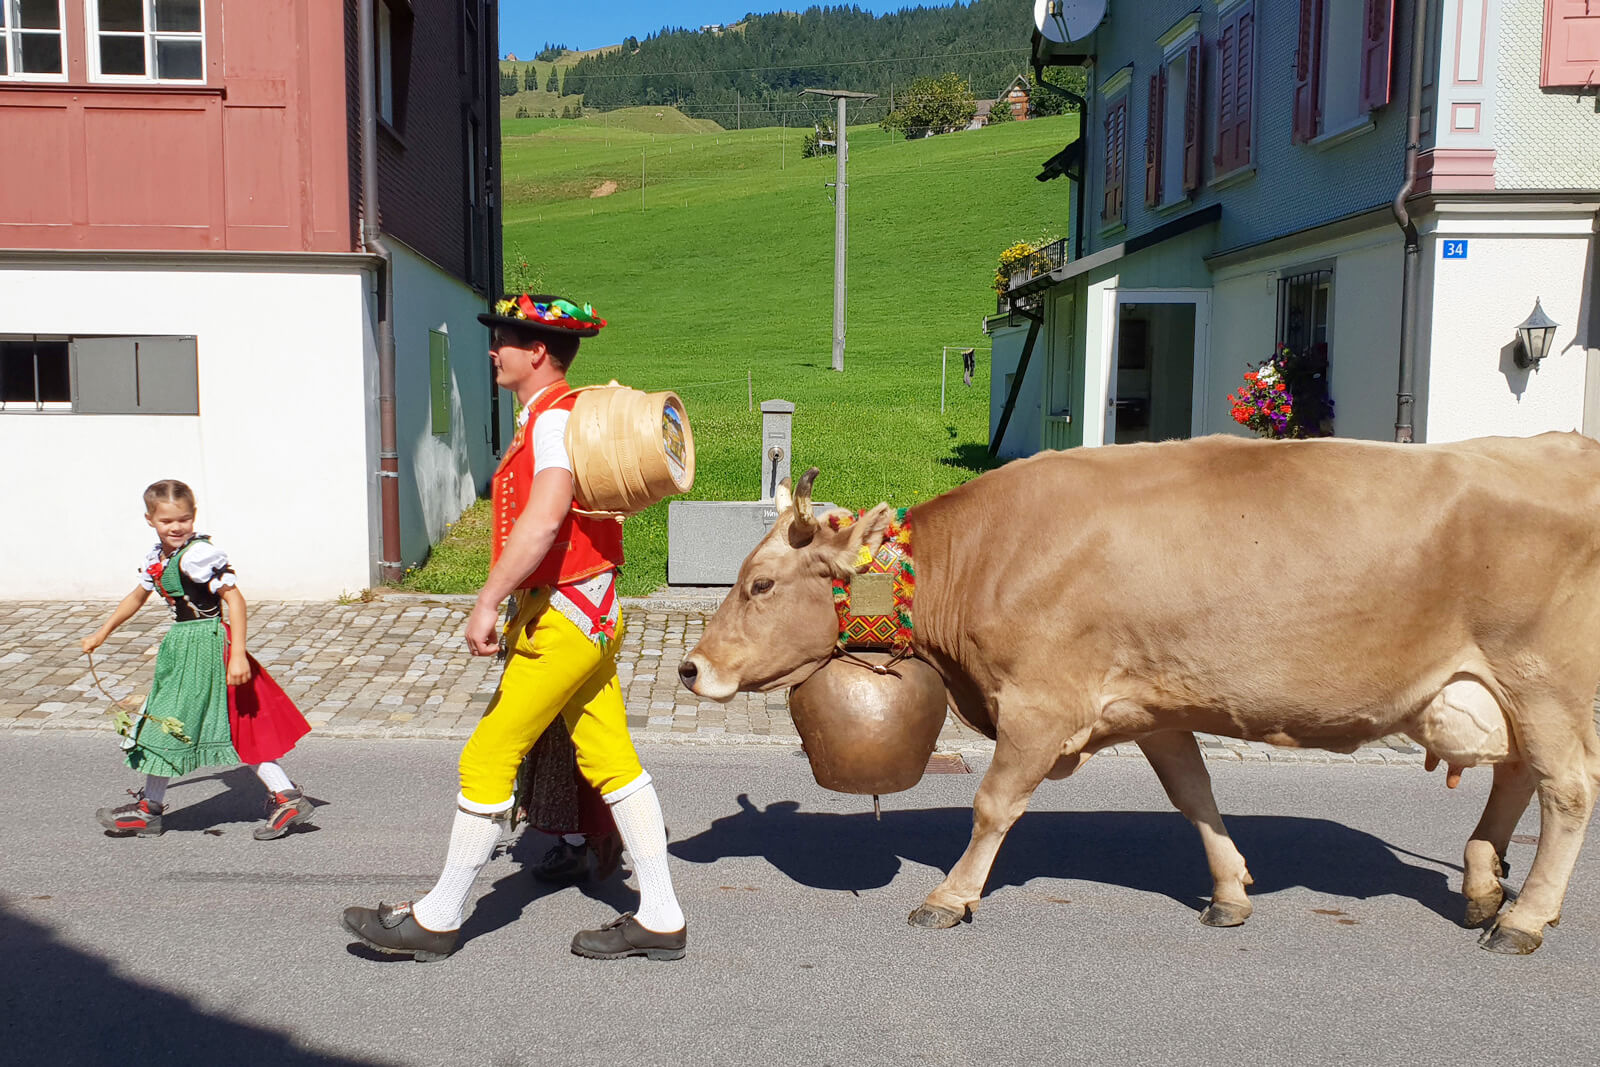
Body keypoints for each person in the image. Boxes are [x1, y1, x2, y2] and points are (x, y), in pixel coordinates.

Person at [342, 294, 686, 962]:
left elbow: (546, 516)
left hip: (562, 619)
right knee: (612, 758)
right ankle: (662, 916)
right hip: (591, 612)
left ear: (536, 353)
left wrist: (487, 598)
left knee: (487, 755)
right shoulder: (558, 417)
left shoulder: (555, 423)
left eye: (502, 339)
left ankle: (437, 919)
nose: (493, 347)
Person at [82, 479, 314, 840]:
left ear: (193, 516)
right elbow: (137, 596)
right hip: (181, 646)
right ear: (150, 520)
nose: (176, 527)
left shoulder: (197, 555)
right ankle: (285, 796)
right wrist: (102, 632)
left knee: (177, 724)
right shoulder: (159, 558)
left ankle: (151, 810)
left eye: (184, 519)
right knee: (194, 724)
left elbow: (235, 600)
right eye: (167, 521)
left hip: (206, 644)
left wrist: (237, 656)